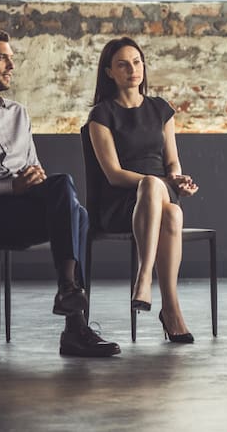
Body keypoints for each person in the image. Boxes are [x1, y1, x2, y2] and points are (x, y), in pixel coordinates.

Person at [0, 29, 120, 357]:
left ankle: (70, 300)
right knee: (73, 206)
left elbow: (34, 168)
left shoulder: (18, 113)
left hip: (19, 211)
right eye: (2, 57)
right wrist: (8, 185)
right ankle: (74, 319)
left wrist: (33, 178)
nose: (11, 66)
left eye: (11, 58)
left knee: (69, 200)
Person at [87, 37, 199, 343]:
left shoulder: (161, 109)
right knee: (173, 215)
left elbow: (172, 161)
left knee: (160, 191)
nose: (132, 69)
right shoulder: (101, 115)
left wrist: (176, 179)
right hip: (121, 203)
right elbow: (113, 173)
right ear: (109, 72)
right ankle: (169, 308)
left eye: (137, 62)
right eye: (122, 64)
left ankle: (145, 281)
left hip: (160, 190)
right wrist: (156, 182)